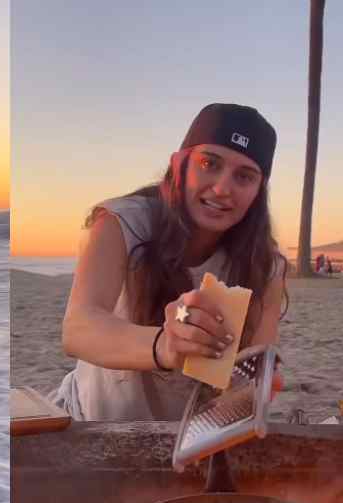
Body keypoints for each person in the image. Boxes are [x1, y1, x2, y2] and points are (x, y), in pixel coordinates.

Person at [53, 103, 287, 421]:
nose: (222, 188)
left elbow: (251, 371)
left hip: (186, 440)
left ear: (259, 191)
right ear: (179, 165)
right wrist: (166, 345)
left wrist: (254, 389)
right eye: (209, 163)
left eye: (244, 176)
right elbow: (79, 328)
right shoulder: (122, 223)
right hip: (90, 422)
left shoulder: (267, 267)